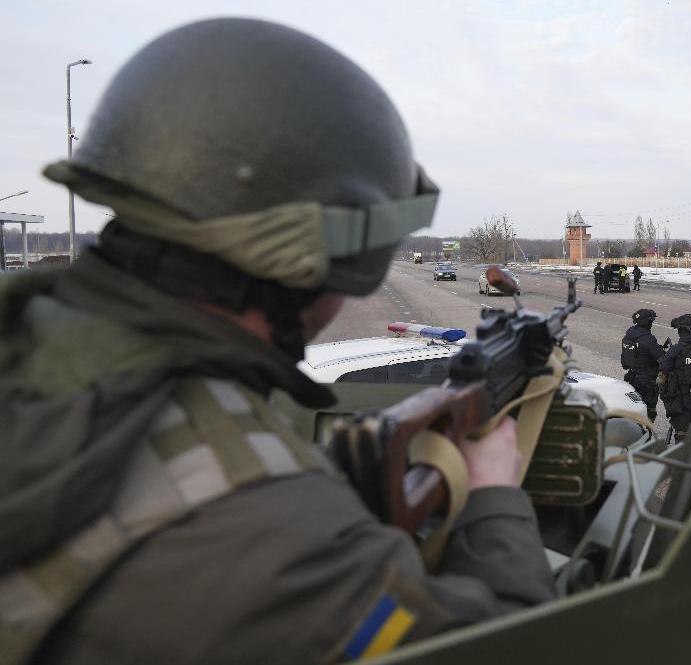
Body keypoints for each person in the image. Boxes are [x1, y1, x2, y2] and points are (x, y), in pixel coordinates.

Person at [0, 19, 554, 665]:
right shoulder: (283, 541)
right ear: (323, 257)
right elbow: (524, 647)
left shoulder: (29, 325)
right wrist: (492, 493)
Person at [621, 309, 664, 422]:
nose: (651, 324)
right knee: (649, 411)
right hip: (647, 381)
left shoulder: (628, 336)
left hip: (632, 378)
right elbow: (662, 360)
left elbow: (626, 361)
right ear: (646, 322)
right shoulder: (647, 339)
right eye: (651, 321)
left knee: (634, 408)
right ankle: (646, 435)